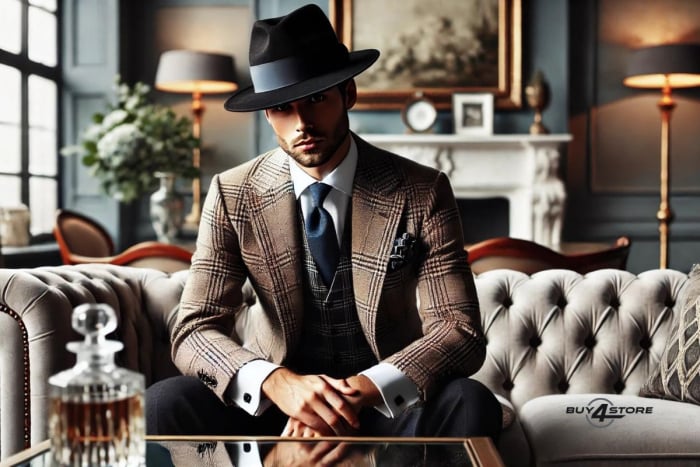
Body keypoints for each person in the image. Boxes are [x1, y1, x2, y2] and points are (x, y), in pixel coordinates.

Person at [146, 3, 502, 448]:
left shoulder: (421, 189)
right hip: (273, 407)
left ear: (347, 93)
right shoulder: (232, 193)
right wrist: (280, 384)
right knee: (161, 404)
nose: (301, 124)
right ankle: (274, 461)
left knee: (471, 403)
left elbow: (458, 328)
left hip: (384, 404)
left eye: (316, 99)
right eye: (281, 108)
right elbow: (194, 327)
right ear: (265, 113)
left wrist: (351, 395)